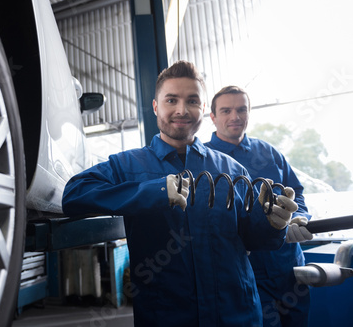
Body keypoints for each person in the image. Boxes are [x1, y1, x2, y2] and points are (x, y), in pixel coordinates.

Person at [62, 61, 298, 327]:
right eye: (171, 100)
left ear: (203, 109)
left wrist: (274, 224)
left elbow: (252, 238)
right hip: (167, 316)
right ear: (155, 107)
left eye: (192, 101)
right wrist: (156, 190)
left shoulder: (232, 170)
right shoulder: (128, 165)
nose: (182, 110)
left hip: (237, 314)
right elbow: (74, 195)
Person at [205, 85, 313, 327]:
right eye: (226, 111)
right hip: (244, 273)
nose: (235, 116)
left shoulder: (269, 153)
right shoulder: (203, 160)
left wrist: (300, 217)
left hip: (288, 267)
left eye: (242, 109)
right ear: (212, 117)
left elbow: (299, 195)